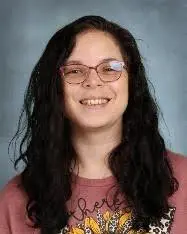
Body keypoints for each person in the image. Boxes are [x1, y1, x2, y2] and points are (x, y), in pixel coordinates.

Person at [0, 15, 186, 234]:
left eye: (109, 68)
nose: (93, 80)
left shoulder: (184, 179)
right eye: (75, 71)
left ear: (132, 81)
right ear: (55, 88)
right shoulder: (14, 201)